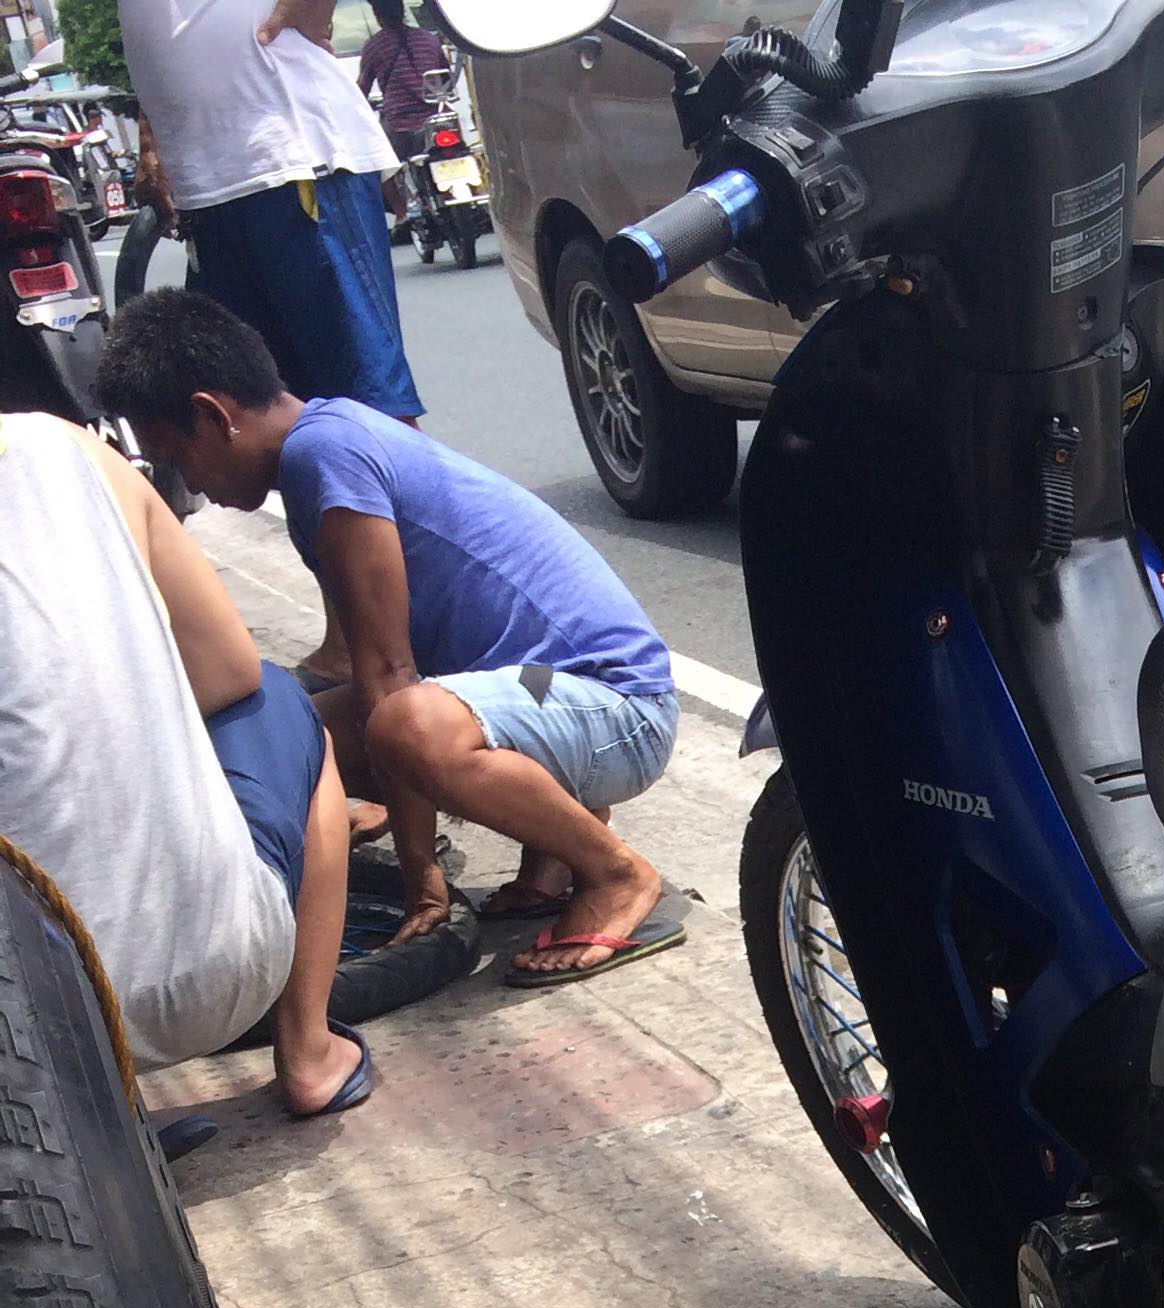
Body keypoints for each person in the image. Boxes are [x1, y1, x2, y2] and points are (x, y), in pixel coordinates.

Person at [100, 290, 686, 987]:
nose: (188, 486)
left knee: (406, 725)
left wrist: (422, 879)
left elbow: (388, 680)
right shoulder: (325, 441)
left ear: (212, 415)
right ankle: (554, 850)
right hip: (543, 691)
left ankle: (616, 873)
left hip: (617, 705)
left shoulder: (325, 456)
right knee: (286, 735)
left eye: (177, 459)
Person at [0, 410, 367, 1121]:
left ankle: (98, 1120)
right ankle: (311, 1052)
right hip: (212, 974)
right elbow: (229, 671)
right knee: (280, 700)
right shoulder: (65, 447)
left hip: (21, 1038)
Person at [120, 0, 420, 427]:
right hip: (209, 192)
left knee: (366, 416)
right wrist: (151, 137)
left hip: (293, 163)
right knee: (255, 424)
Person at [357, 0, 450, 221]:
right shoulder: (429, 40)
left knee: (380, 162)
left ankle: (401, 213)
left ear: (378, 15)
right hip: (437, 119)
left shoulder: (374, 46)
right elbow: (446, 78)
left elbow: (362, 89)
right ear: (403, 11)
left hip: (400, 124)